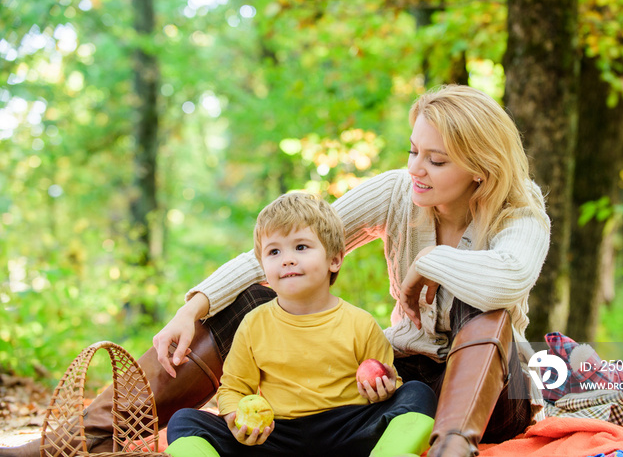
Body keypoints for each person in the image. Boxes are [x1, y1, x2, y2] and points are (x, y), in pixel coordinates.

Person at [2, 84, 550, 457]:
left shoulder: (519, 209)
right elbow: (295, 240)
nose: (416, 170)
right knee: (267, 284)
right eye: (413, 151)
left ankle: (451, 450)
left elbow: (511, 277)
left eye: (437, 160)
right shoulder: (397, 194)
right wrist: (193, 306)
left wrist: (431, 262)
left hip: (493, 391)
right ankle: (75, 441)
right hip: (401, 376)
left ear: (480, 168)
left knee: (486, 303)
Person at [164, 192, 438, 457]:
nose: (287, 258)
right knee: (184, 421)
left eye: (301, 247)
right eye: (274, 252)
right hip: (277, 435)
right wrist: (238, 420)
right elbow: (234, 388)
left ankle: (390, 453)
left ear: (334, 259)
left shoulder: (360, 323)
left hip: (349, 428)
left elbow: (389, 381)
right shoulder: (254, 324)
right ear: (264, 269)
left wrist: (384, 389)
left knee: (416, 393)